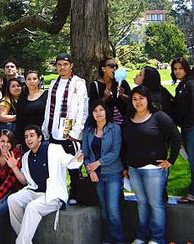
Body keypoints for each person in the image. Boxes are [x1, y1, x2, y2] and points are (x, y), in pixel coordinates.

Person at [122, 85, 181, 244]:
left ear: (148, 99)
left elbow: (176, 137)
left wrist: (171, 160)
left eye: (141, 98)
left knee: (155, 204)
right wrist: (125, 167)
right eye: (134, 99)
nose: (138, 102)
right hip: (134, 169)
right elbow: (124, 145)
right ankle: (141, 236)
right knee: (141, 204)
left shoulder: (159, 117)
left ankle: (157, 238)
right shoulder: (128, 120)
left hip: (154, 171)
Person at [7, 125, 84, 244]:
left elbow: (69, 162)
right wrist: (13, 167)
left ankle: (21, 242)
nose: (28, 139)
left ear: (40, 137)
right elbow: (24, 181)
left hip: (52, 195)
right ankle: (24, 239)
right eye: (26, 136)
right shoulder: (26, 156)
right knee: (12, 200)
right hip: (34, 192)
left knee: (32, 207)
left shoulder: (54, 149)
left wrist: (77, 160)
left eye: (32, 135)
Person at [41, 53, 88, 204]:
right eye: (59, 64)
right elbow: (49, 107)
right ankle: (59, 194)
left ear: (71, 65)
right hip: (53, 127)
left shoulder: (78, 83)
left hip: (69, 128)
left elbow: (82, 108)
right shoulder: (54, 82)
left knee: (73, 163)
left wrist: (77, 129)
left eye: (65, 64)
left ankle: (75, 192)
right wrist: (45, 128)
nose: (62, 67)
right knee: (55, 165)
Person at [82, 101, 124, 244]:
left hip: (113, 174)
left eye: (101, 110)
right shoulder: (88, 131)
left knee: (112, 209)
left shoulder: (115, 129)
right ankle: (107, 239)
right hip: (96, 176)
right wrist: (90, 170)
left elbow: (115, 152)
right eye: (95, 110)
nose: (98, 113)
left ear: (106, 112)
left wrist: (98, 163)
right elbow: (85, 154)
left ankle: (119, 240)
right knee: (104, 209)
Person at [170, 57, 194, 204]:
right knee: (191, 160)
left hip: (193, 128)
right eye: (175, 69)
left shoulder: (191, 85)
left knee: (193, 161)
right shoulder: (181, 86)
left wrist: (186, 125)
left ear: (186, 68)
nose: (177, 71)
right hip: (186, 128)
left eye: (180, 68)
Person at [89, 58, 131, 124]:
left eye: (116, 66)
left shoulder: (121, 82)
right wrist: (104, 98)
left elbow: (131, 100)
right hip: (105, 123)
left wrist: (122, 95)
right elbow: (92, 107)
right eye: (111, 66)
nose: (114, 68)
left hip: (124, 122)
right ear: (103, 69)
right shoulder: (95, 85)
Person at [16, 71, 48, 149]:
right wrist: (18, 140)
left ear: (39, 80)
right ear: (25, 81)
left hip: (43, 136)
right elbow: (19, 120)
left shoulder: (46, 95)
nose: (32, 81)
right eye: (29, 79)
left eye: (34, 79)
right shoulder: (22, 98)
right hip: (27, 138)